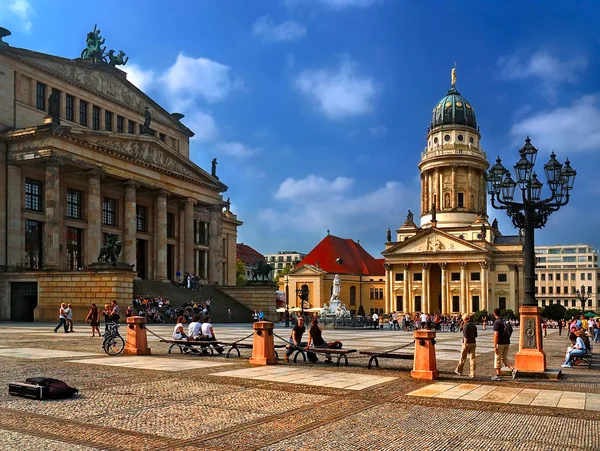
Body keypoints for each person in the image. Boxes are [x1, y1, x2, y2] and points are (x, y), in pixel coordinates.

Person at [491, 308, 517, 380]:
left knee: (497, 358)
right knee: (504, 358)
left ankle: (498, 375)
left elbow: (496, 334)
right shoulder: (504, 321)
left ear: (494, 314)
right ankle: (513, 369)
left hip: (500, 342)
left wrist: (495, 345)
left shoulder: (497, 322)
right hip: (507, 342)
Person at [455, 313, 477, 378]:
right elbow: (476, 335)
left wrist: (464, 344)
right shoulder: (473, 325)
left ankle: (459, 371)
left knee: (462, 358)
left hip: (467, 343)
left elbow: (465, 336)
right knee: (472, 359)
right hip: (473, 343)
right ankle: (472, 373)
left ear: (464, 319)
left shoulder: (465, 325)